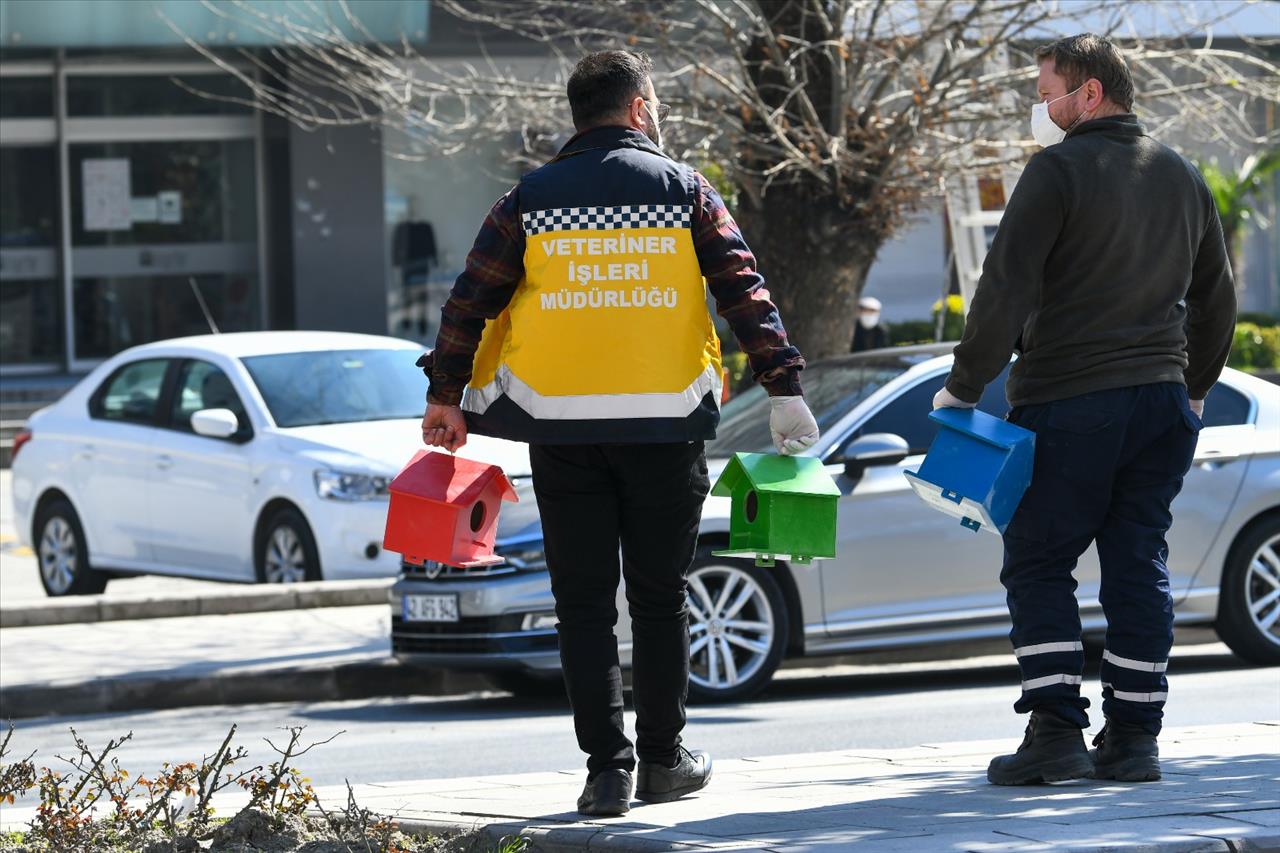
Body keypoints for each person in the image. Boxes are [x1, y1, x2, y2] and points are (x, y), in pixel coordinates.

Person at [418, 50, 817, 815]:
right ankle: (664, 759)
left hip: (563, 432)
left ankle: (607, 770)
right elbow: (743, 289)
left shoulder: (527, 200)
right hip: (666, 430)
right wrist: (783, 385)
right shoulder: (685, 191)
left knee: (583, 604)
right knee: (661, 596)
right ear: (638, 109)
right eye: (656, 102)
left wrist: (445, 395)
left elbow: (468, 300)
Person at [933, 34, 1236, 786]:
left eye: (1048, 91)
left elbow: (1005, 287)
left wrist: (963, 386)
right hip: (1161, 405)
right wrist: (1193, 385)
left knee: (1038, 559)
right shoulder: (1181, 175)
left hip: (1070, 398)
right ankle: (1135, 738)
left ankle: (1056, 731)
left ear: (1090, 93)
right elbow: (1217, 298)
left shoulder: (1056, 170)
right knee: (1138, 562)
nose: (1042, 107)